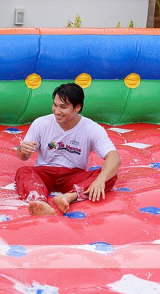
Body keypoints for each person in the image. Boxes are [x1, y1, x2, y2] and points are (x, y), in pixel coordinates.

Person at [15, 82, 121, 216]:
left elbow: (114, 158)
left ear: (77, 107)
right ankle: (40, 203)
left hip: (73, 175)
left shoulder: (92, 128)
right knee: (23, 171)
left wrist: (101, 179)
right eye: (55, 105)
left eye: (63, 107)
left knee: (108, 176)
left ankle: (69, 197)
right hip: (44, 173)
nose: (57, 111)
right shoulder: (41, 123)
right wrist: (22, 150)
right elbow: (23, 157)